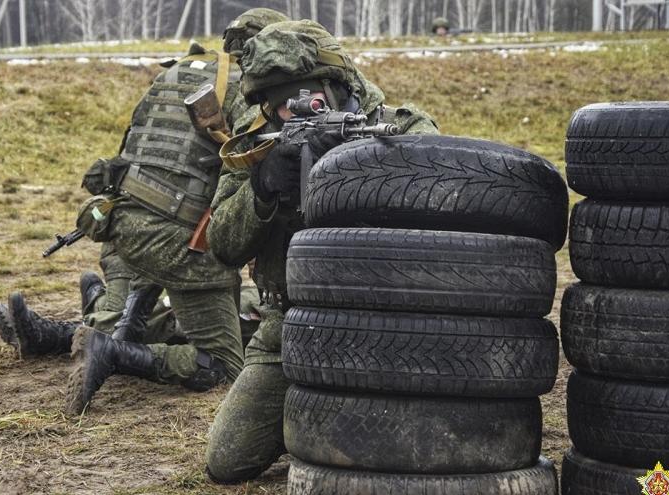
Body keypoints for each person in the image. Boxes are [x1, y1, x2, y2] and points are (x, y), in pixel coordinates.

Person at [203, 19, 439, 483]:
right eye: (279, 108)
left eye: (305, 99)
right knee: (228, 460)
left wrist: (362, 165)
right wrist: (264, 188)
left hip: (384, 320)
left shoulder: (397, 128)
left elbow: (445, 201)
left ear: (335, 88)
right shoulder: (258, 149)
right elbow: (221, 247)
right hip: (289, 321)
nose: (294, 114)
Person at [63, 8, 290, 416]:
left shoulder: (176, 72)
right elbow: (250, 181)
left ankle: (123, 328)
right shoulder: (247, 90)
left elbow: (128, 150)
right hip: (177, 242)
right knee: (225, 364)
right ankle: (113, 353)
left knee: (163, 290)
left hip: (122, 222)